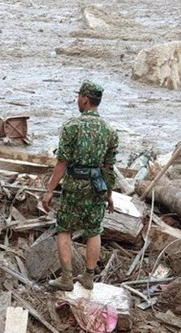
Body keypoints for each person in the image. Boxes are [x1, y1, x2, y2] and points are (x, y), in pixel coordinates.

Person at [41, 80, 118, 291]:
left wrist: (49, 190)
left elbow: (62, 163)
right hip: (97, 186)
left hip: (75, 184)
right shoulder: (110, 131)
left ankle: (66, 278)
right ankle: (88, 277)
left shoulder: (71, 127)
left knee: (64, 229)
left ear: (84, 99)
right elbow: (108, 167)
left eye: (79, 97)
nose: (78, 100)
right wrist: (109, 193)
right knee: (94, 231)